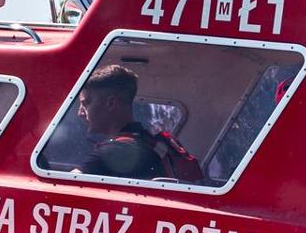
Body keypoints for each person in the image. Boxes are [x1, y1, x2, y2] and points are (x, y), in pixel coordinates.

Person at [51, 65, 202, 181]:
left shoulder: (114, 151)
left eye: (86, 103)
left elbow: (59, 191)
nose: (80, 112)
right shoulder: (151, 142)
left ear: (110, 103)